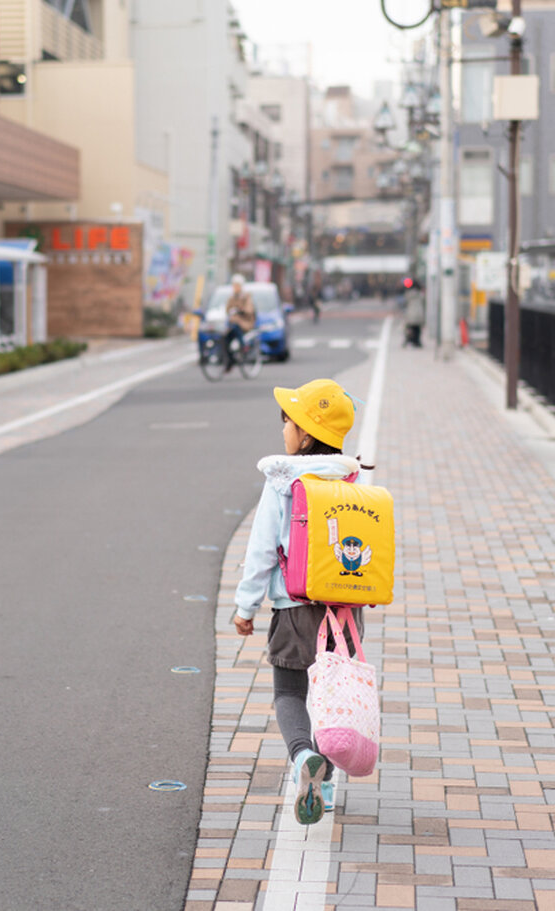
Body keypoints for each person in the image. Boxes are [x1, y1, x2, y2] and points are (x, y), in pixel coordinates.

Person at [231, 378, 363, 826]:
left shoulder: (283, 483)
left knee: (290, 691)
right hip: (345, 612)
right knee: (331, 698)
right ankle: (323, 787)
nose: (283, 427)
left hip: (293, 609)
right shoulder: (352, 476)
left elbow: (262, 549)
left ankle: (303, 754)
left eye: (287, 421)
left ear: (304, 435)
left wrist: (245, 607)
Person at [222, 274, 257, 372]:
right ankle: (229, 360)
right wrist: (231, 310)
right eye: (234, 285)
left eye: (237, 285)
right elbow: (227, 309)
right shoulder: (231, 297)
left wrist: (241, 310)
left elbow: (250, 309)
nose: (235, 287)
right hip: (233, 323)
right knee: (224, 338)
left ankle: (244, 346)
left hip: (245, 323)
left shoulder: (246, 296)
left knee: (236, 327)